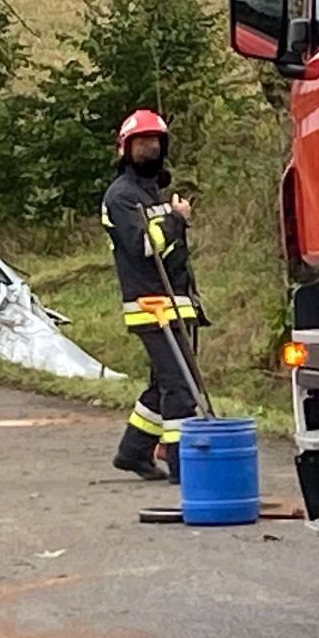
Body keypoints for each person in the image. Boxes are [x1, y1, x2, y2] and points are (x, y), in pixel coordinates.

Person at [102, 109, 201, 484]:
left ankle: (133, 452)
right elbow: (144, 245)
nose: (149, 148)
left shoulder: (151, 192)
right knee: (179, 384)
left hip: (175, 301)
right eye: (141, 142)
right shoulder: (121, 197)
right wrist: (177, 219)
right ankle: (182, 463)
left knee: (164, 384)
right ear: (125, 149)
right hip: (150, 307)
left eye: (155, 142)